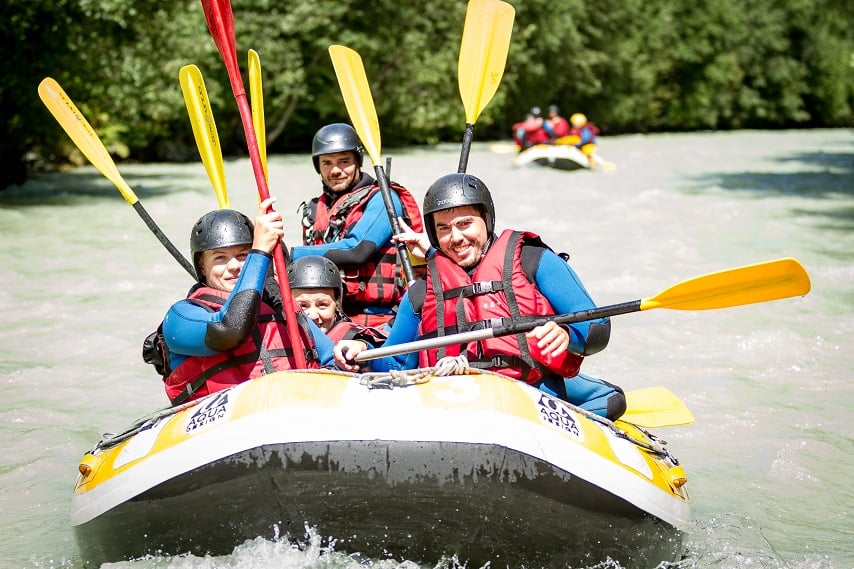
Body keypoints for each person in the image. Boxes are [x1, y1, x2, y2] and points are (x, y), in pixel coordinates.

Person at [335, 173, 626, 420]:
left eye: (465, 224)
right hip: (453, 398)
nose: (456, 238)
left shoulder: (532, 261)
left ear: (486, 220)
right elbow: (397, 364)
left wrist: (567, 335)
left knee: (612, 400)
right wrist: (360, 352)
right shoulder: (422, 293)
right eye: (444, 229)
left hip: (531, 391)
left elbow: (596, 329)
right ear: (434, 236)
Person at [144, 199, 336, 406]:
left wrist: (352, 348)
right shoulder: (181, 316)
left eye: (243, 255)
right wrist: (260, 250)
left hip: (295, 409)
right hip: (221, 425)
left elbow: (330, 358)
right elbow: (229, 330)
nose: (234, 266)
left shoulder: (281, 308)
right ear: (201, 265)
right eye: (220, 258)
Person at [294, 123, 424, 328]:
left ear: (357, 161)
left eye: (344, 161)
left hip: (385, 319)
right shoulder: (313, 210)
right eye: (327, 162)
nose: (335, 170)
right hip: (326, 320)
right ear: (318, 166)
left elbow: (357, 251)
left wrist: (288, 254)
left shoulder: (384, 199)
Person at [288, 255, 387, 346]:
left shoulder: (351, 338)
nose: (313, 316)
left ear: (337, 305)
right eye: (303, 306)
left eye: (322, 304)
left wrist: (361, 345)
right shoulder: (279, 338)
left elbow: (366, 342)